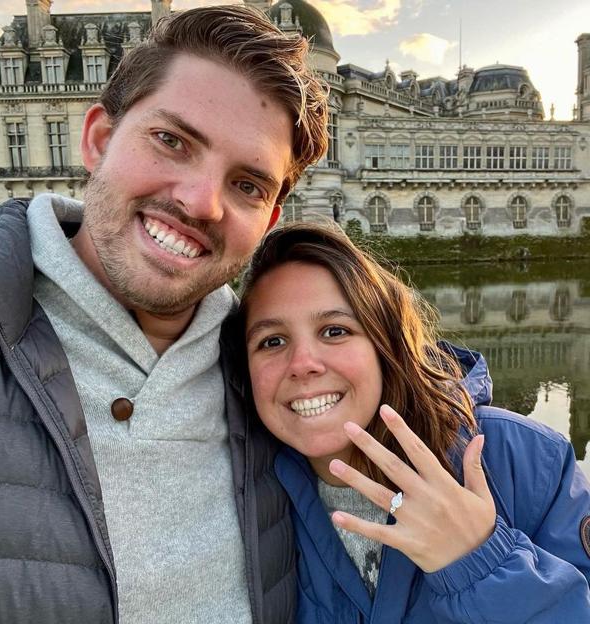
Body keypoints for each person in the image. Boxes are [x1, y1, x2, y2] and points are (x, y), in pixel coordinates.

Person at [0, 7, 328, 624]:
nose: (200, 202)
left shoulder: (278, 382)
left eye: (247, 185)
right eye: (172, 141)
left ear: (269, 220)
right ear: (98, 139)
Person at [239, 222, 590, 623]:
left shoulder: (526, 461)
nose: (302, 364)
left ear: (386, 346)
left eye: (335, 331)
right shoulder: (246, 492)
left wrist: (478, 564)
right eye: (271, 341)